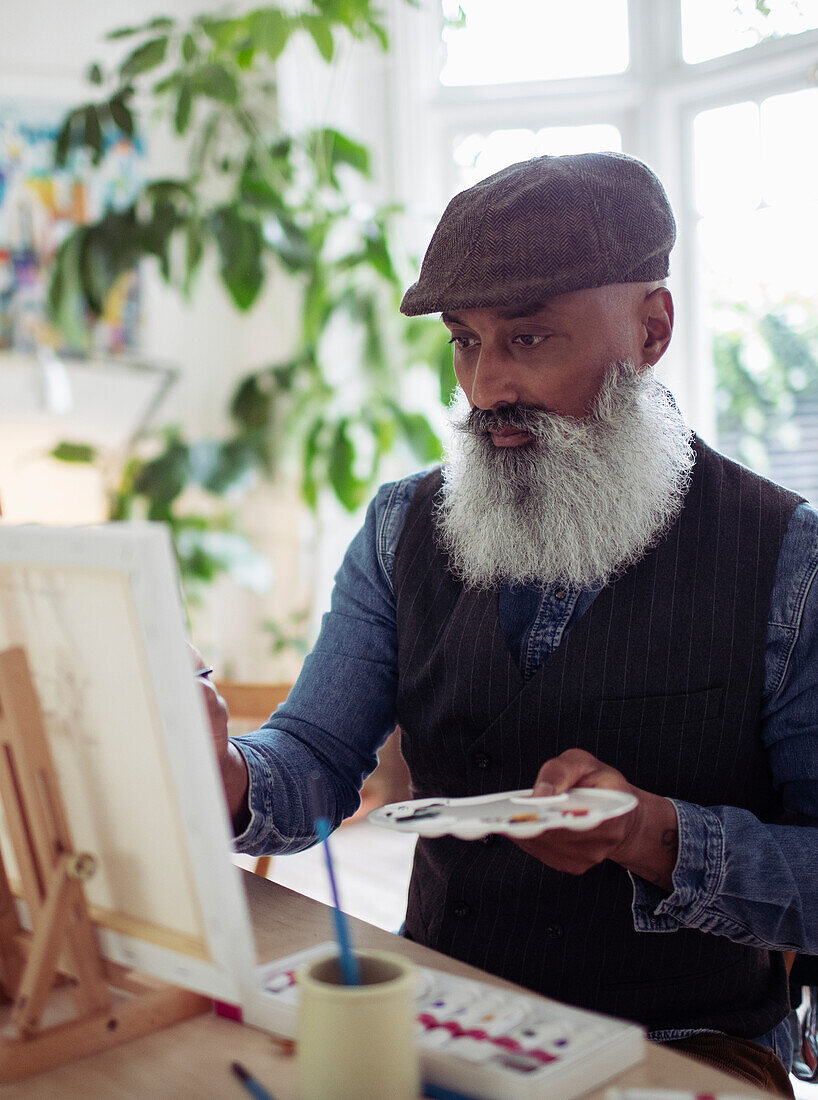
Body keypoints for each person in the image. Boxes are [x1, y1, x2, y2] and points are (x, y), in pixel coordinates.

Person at [201, 152, 818, 1097]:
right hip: (448, 1005)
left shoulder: (786, 554)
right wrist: (231, 776)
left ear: (652, 329)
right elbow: (316, 755)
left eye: (528, 341)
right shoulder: (403, 525)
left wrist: (651, 833)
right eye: (464, 342)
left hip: (687, 1038)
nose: (485, 388)